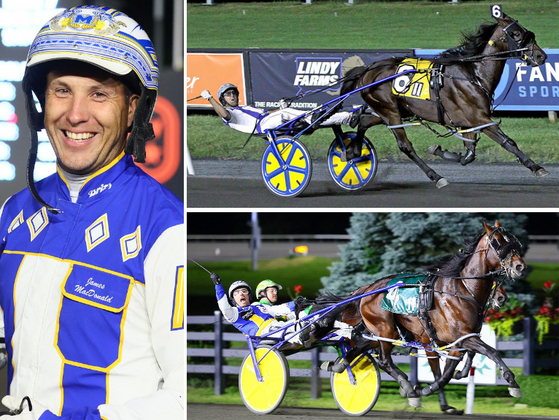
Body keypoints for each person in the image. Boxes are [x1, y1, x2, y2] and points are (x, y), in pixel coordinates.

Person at [0, 5, 184, 420]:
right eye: (61, 90)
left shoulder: (167, 228)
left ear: (133, 108)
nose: (76, 114)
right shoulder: (12, 213)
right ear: (40, 102)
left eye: (98, 93)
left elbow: (182, 398)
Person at [201, 84, 363, 135]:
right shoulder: (229, 114)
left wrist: (279, 108)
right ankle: (312, 117)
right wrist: (210, 99)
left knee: (289, 111)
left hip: (266, 119)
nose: (233, 96)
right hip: (261, 127)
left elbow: (266, 114)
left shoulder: (244, 107)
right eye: (228, 95)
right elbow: (223, 113)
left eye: (234, 93)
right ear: (223, 99)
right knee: (291, 114)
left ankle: (348, 117)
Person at [211, 275, 305, 347]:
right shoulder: (233, 314)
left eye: (244, 291)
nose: (241, 294)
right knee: (290, 330)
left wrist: (295, 303)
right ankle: (300, 337)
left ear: (249, 295)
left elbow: (278, 309)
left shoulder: (257, 306)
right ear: (233, 299)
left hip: (277, 326)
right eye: (237, 293)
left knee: (302, 321)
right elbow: (224, 307)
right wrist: (218, 286)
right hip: (264, 334)